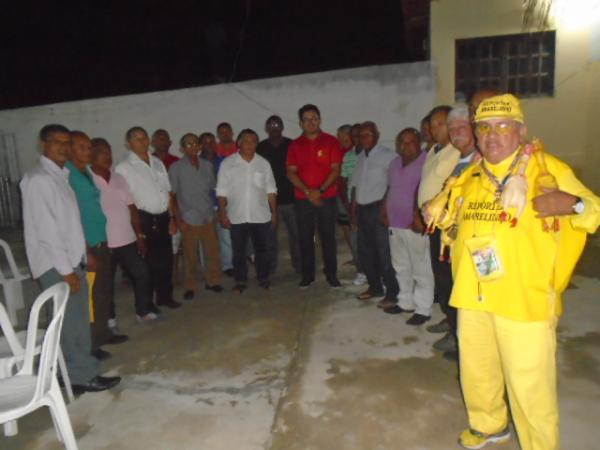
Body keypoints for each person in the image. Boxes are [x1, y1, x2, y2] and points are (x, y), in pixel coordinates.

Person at [430, 94, 600, 450]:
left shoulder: (548, 170)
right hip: (473, 295)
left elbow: (595, 212)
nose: (492, 135)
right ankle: (489, 425)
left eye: (503, 126)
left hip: (524, 298)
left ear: (521, 131)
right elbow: (460, 225)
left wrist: (574, 204)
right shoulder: (471, 176)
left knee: (529, 385)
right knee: (478, 371)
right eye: (485, 128)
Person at [21, 124, 120, 394]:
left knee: (70, 321)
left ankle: (68, 373)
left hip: (68, 259)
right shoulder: (39, 179)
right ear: (43, 144)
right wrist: (67, 271)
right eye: (57, 142)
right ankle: (81, 375)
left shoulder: (58, 175)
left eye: (67, 142)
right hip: (57, 264)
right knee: (73, 324)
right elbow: (47, 231)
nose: (63, 148)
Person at [66, 131, 128, 361]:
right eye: (80, 147)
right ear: (70, 149)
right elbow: (72, 216)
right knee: (91, 297)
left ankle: (102, 335)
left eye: (88, 147)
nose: (86, 151)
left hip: (101, 239)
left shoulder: (86, 173)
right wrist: (86, 250)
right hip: (88, 244)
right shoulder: (69, 175)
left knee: (103, 292)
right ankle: (91, 344)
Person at [429, 104, 480, 360]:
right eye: (452, 128)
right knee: (449, 288)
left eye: (462, 126)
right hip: (450, 241)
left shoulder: (482, 159)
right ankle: (457, 333)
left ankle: (466, 346)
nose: (456, 132)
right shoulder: (459, 159)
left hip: (474, 244)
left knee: (469, 296)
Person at [90, 138, 158, 323]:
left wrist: (140, 236)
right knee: (106, 283)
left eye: (109, 151)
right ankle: (109, 319)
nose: (108, 156)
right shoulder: (88, 179)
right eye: (102, 152)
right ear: (91, 154)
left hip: (126, 239)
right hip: (104, 241)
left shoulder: (118, 178)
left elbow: (131, 207)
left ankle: (143, 311)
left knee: (142, 273)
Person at [115, 126, 181, 310]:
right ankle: (148, 303)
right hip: (142, 218)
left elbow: (167, 193)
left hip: (162, 217)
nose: (142, 141)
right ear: (128, 144)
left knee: (166, 260)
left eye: (144, 138)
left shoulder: (157, 163)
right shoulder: (124, 167)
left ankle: (165, 297)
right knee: (148, 263)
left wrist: (173, 217)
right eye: (137, 139)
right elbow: (124, 200)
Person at [417, 105, 459, 351]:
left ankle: (458, 332)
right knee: (441, 278)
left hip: (447, 226)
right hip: (431, 223)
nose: (434, 129)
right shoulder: (434, 149)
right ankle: (449, 318)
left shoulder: (458, 151)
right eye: (432, 125)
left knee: (450, 278)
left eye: (440, 124)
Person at [381, 128, 434, 325]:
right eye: (402, 142)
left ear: (419, 142)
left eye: (410, 142)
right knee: (401, 266)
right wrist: (383, 208)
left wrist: (419, 215)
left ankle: (423, 308)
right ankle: (405, 303)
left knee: (421, 268)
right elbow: (391, 188)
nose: (405, 146)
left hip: (415, 225)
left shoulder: (427, 161)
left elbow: (428, 190)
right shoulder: (394, 163)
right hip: (395, 222)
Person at [286, 104, 342, 288]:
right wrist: (309, 192)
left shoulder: (331, 141)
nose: (311, 122)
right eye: (307, 119)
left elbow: (335, 169)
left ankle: (331, 274)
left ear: (320, 120)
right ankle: (307, 275)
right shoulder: (295, 145)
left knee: (328, 237)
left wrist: (321, 190)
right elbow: (291, 172)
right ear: (301, 123)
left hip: (328, 197)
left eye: (314, 118)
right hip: (303, 199)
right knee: (305, 237)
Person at [216, 129, 277, 293]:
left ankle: (263, 278)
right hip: (236, 216)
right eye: (246, 141)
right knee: (239, 251)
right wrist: (222, 213)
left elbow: (271, 190)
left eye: (253, 141)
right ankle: (240, 280)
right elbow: (221, 192)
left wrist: (274, 214)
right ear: (239, 143)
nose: (250, 144)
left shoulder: (263, 163)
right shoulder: (228, 164)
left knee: (262, 250)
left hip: (260, 215)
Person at [350, 122, 399, 307]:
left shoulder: (389, 156)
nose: (364, 138)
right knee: (366, 253)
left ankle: (393, 293)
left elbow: (392, 185)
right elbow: (355, 186)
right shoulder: (361, 157)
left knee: (384, 254)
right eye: (361, 135)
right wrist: (353, 211)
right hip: (362, 211)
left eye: (368, 134)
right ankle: (375, 287)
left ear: (377, 135)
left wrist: (384, 208)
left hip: (379, 209)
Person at [169, 133, 223, 300]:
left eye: (195, 143)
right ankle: (190, 286)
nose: (193, 147)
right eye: (188, 144)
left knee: (212, 252)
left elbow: (214, 187)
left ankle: (212, 281)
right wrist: (177, 219)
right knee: (190, 256)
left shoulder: (207, 165)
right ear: (182, 148)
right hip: (188, 218)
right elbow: (171, 195)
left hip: (207, 215)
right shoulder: (176, 168)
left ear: (199, 146)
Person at [257, 115, 301, 275]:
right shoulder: (260, 148)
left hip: (292, 199)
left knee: (297, 236)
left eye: (277, 124)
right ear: (266, 128)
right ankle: (270, 268)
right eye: (271, 124)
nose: (274, 127)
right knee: (269, 239)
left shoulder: (292, 145)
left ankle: (300, 266)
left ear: (282, 127)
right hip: (269, 201)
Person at [200, 131, 234, 277]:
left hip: (223, 204)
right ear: (200, 145)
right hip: (203, 206)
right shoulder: (195, 163)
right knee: (206, 239)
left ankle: (228, 265)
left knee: (226, 236)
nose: (209, 145)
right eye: (205, 142)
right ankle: (208, 267)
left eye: (211, 142)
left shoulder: (225, 162)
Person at [151, 129, 182, 283]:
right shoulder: (147, 161)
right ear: (153, 143)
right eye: (159, 139)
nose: (162, 142)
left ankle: (174, 274)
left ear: (170, 143)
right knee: (156, 247)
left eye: (165, 139)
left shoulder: (177, 162)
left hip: (174, 208)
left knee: (174, 245)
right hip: (154, 210)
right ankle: (158, 277)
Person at [340, 123, 366, 286]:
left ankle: (377, 273)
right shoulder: (348, 156)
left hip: (370, 204)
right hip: (352, 205)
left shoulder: (370, 154)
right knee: (356, 241)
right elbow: (344, 182)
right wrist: (347, 204)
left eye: (359, 136)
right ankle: (361, 271)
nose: (357, 139)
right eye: (354, 136)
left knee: (372, 242)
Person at [335, 125, 355, 268]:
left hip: (352, 198)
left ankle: (362, 259)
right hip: (340, 196)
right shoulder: (339, 151)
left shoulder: (355, 152)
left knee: (355, 228)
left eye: (342, 135)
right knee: (346, 228)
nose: (339, 138)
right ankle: (355, 256)